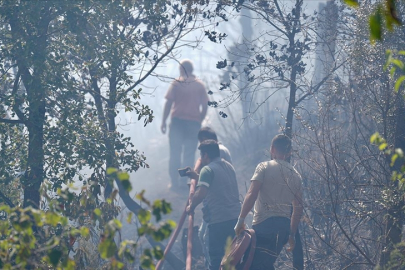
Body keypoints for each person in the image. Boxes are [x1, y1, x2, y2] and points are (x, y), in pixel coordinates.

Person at [234, 134, 303, 270]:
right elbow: (298, 208)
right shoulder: (296, 175)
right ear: (289, 152)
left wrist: (240, 220)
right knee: (265, 264)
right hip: (283, 227)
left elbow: (252, 194)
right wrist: (292, 234)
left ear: (272, 149)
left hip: (264, 226)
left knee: (253, 265)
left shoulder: (264, 167)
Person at [185, 140, 240, 270]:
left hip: (218, 222)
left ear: (205, 155)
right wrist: (197, 176)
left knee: (216, 260)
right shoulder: (228, 166)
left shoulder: (207, 169)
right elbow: (217, 184)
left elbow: (201, 193)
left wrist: (191, 206)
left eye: (201, 155)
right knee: (234, 260)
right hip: (235, 220)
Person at [161, 59, 209, 190]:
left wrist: (164, 121)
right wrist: (200, 119)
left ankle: (174, 183)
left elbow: (168, 103)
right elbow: (205, 106)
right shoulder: (199, 85)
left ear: (182, 69)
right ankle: (185, 182)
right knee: (189, 153)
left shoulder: (177, 83)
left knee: (175, 153)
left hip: (177, 122)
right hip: (193, 123)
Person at [192, 127, 232, 268]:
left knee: (213, 253)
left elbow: (203, 190)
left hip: (217, 214)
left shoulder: (208, 168)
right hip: (231, 213)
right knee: (231, 254)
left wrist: (190, 207)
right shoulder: (226, 164)